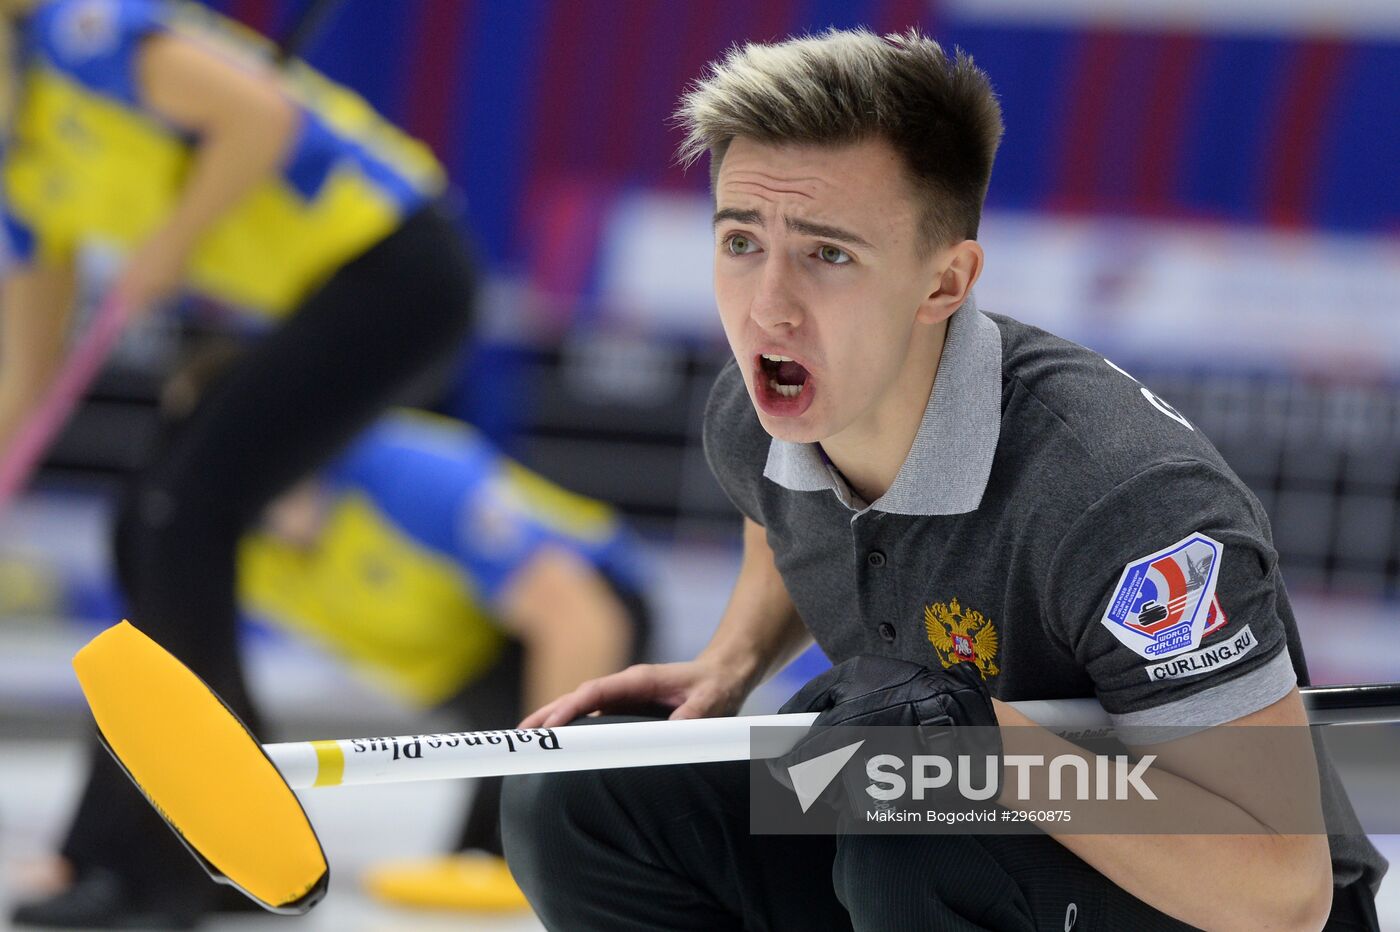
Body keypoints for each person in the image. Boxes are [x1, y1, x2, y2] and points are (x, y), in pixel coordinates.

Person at [500, 28, 1387, 930]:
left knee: (914, 823)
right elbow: (784, 509)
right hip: (934, 834)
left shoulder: (1125, 506)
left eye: (827, 253)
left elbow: (1283, 891)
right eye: (740, 241)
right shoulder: (762, 412)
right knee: (584, 797)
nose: (768, 307)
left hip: (1212, 893)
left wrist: (987, 749)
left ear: (944, 282)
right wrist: (731, 663)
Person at [0, 0, 476, 925]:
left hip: (396, 266)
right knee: (151, 520)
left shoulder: (83, 37)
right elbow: (28, 374)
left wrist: (168, 248)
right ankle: (222, 841)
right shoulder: (21, 178)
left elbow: (262, 117)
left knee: (181, 512)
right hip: (323, 294)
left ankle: (162, 857)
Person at [236, 407, 651, 912]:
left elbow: (583, 620)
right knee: (494, 855)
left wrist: (542, 796)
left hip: (579, 609)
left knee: (545, 850)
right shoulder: (226, 532)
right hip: (473, 656)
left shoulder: (410, 472)